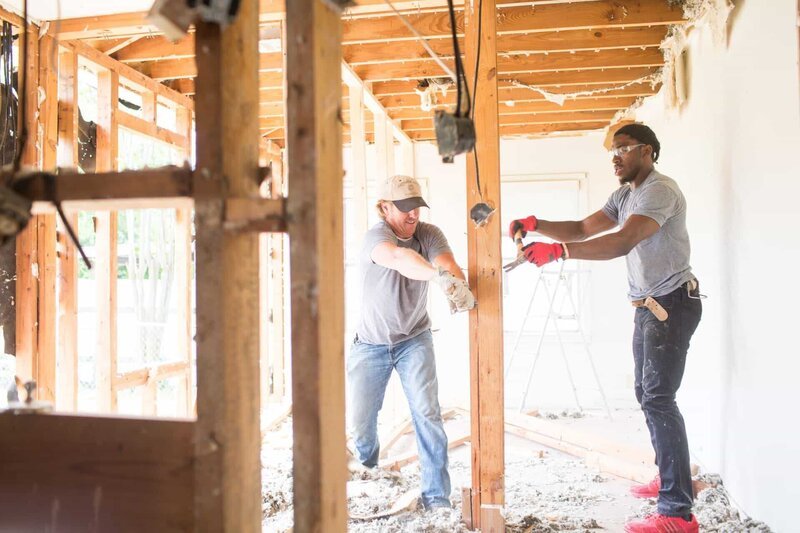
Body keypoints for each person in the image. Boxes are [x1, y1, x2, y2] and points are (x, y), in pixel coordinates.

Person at [509, 124, 702, 533]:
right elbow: (583, 229)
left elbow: (621, 242)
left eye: (623, 149)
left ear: (647, 151)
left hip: (672, 303)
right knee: (647, 395)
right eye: (612, 151)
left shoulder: (659, 191)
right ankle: (671, 479)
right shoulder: (626, 194)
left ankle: (677, 513)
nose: (615, 157)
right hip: (650, 305)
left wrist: (559, 252)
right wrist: (536, 222)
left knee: (659, 398)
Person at [348, 174, 475, 509]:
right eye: (404, 208)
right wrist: (437, 278)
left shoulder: (429, 234)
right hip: (370, 344)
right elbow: (401, 260)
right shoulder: (377, 236)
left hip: (414, 340)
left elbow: (447, 263)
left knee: (427, 413)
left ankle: (436, 497)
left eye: (417, 206)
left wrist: (453, 280)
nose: (413, 214)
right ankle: (367, 467)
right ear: (385, 207)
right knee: (361, 422)